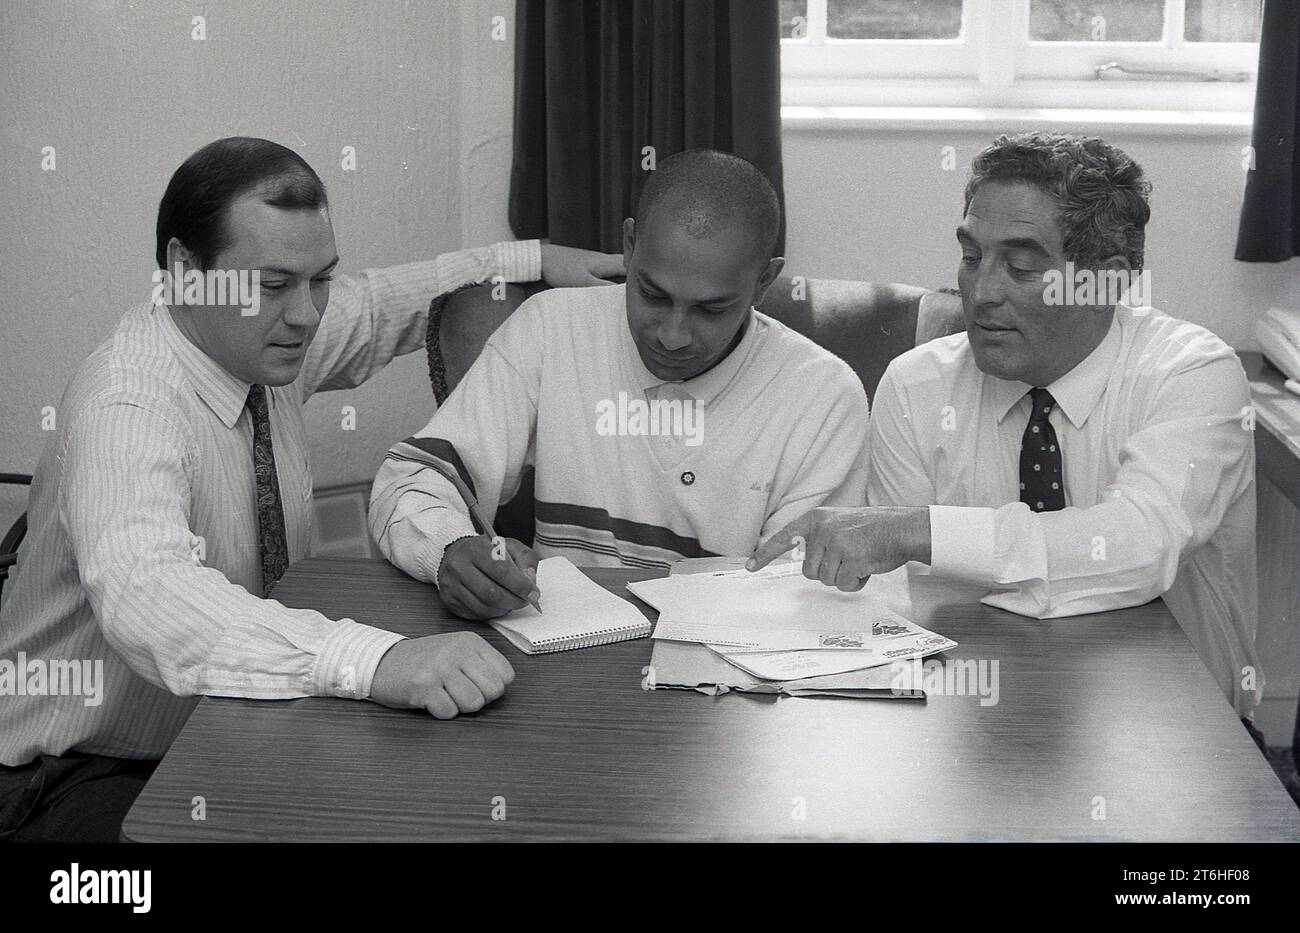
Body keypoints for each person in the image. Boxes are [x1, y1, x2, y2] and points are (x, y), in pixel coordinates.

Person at [0, 136, 621, 841]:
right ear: (183, 268)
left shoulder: (260, 337)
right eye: (272, 284)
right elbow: (150, 595)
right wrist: (375, 658)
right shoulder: (127, 407)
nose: (306, 313)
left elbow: (388, 299)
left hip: (217, 722)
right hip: (66, 774)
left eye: (318, 278)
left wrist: (533, 259)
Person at [751, 133, 1264, 732]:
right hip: (976, 714)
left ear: (1109, 280)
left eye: (1020, 267)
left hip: (1180, 721)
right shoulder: (918, 387)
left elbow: (1140, 545)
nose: (981, 292)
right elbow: (916, 609)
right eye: (971, 257)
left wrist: (919, 529)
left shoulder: (1193, 375)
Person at [370, 149, 871, 620]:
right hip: (559, 658)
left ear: (764, 282)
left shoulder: (824, 397)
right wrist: (449, 547)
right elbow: (410, 480)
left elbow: (800, 595)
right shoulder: (549, 329)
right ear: (629, 247)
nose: (673, 336)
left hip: (727, 682)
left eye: (711, 309)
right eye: (652, 294)